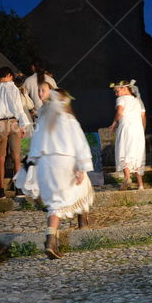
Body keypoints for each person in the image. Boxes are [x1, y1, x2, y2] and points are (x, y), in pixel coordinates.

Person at [28, 89, 94, 259]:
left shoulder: (43, 121)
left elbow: (34, 146)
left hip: (45, 164)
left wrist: (33, 168)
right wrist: (81, 167)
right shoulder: (69, 120)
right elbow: (80, 144)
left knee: (54, 205)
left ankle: (51, 240)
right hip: (65, 161)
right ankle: (81, 221)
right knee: (82, 188)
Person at [0, 67, 31, 198]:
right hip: (14, 122)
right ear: (9, 75)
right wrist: (22, 125)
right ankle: (19, 189)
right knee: (16, 157)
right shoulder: (13, 88)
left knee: (0, 157)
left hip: (0, 124)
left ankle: (1, 190)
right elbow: (18, 107)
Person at [108, 79, 146, 190]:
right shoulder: (138, 100)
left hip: (126, 127)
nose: (116, 94)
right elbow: (143, 117)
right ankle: (140, 185)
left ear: (124, 88)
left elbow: (120, 112)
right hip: (138, 129)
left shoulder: (121, 99)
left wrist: (114, 123)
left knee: (124, 151)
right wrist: (142, 130)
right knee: (136, 153)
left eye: (117, 91)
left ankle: (127, 178)